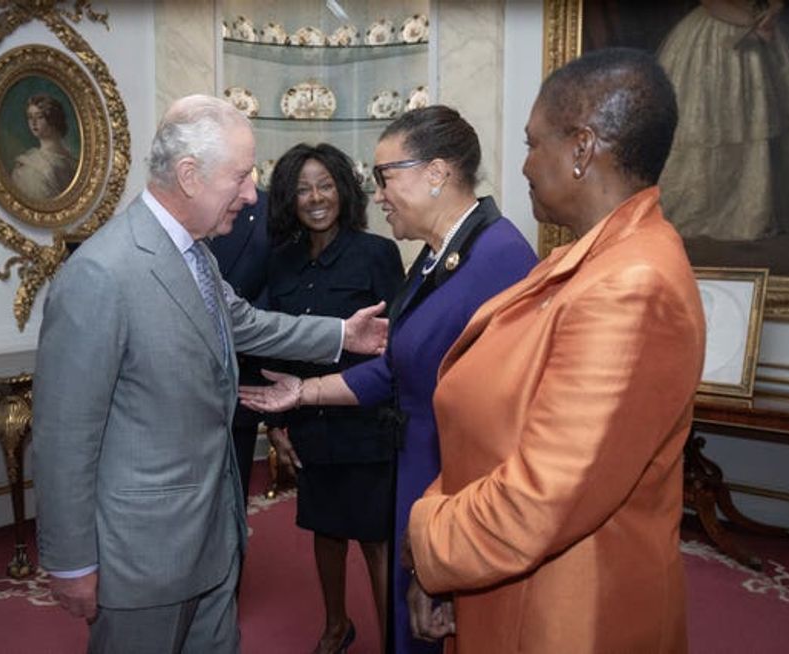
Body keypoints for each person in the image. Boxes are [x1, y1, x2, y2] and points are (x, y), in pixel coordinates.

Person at [31, 94, 389, 654]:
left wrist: (343, 335)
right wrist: (71, 560)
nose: (253, 195)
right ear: (190, 176)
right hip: (143, 559)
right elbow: (63, 438)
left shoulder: (195, 254)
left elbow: (245, 322)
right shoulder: (101, 274)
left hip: (215, 540)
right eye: (242, 177)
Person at [403, 48, 706, 652]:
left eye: (532, 143)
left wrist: (425, 537)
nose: (522, 166)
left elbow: (542, 498)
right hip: (506, 581)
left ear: (582, 149)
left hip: (570, 614)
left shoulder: (632, 285)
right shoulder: (587, 257)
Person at [239, 106, 537, 654]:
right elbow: (397, 362)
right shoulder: (437, 257)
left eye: (385, 177)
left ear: (436, 173)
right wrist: (303, 392)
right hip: (419, 472)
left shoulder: (500, 259)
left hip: (453, 486)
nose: (377, 195)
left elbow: (507, 421)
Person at [262, 143, 404, 653]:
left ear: (343, 190)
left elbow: (399, 345)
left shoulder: (377, 254)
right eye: (302, 188)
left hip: (366, 420)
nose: (315, 197)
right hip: (308, 422)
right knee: (325, 529)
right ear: (288, 199)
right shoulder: (279, 263)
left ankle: (394, 640)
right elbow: (271, 344)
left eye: (324, 185)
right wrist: (275, 427)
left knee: (375, 537)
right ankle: (336, 626)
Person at [657, 0, 789, 241]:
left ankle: (763, 209)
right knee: (712, 123)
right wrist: (751, 23)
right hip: (714, 36)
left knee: (766, 118)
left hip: (764, 29)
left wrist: (771, 12)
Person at [207, 189, 271, 500]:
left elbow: (273, 293)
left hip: (241, 373)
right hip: (179, 391)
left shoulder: (264, 209)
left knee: (233, 499)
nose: (249, 187)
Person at [11, 93, 79, 201]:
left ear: (53, 119)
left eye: (39, 117)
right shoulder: (27, 165)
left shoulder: (73, 162)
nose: (33, 122)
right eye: (30, 117)